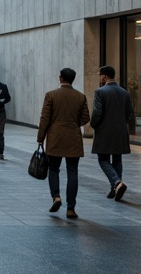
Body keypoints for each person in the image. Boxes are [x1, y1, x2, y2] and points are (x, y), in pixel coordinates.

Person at [37, 67, 90, 219]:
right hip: (73, 137)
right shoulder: (80, 97)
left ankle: (56, 197)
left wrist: (41, 137)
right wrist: (74, 123)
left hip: (55, 137)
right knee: (72, 172)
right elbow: (86, 117)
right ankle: (71, 208)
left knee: (54, 169)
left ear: (60, 78)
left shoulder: (51, 95)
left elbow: (44, 118)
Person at [91, 65, 134, 202]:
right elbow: (129, 113)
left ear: (104, 76)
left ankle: (116, 182)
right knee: (117, 158)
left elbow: (97, 112)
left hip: (105, 131)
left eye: (100, 75)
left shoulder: (100, 92)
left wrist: (93, 124)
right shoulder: (124, 92)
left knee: (103, 159)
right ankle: (114, 188)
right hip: (121, 130)